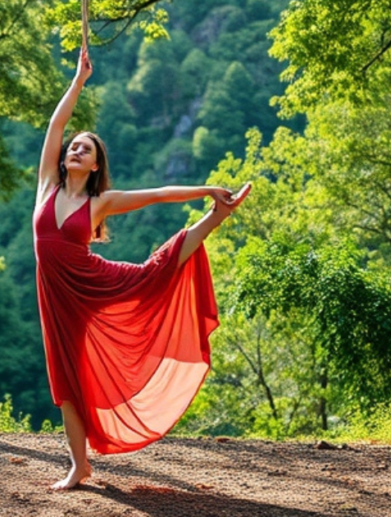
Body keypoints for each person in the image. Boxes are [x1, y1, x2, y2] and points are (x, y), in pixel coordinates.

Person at [33, 48, 249, 490]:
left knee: (157, 270)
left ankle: (215, 218)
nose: (75, 147)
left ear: (95, 165)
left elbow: (156, 194)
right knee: (64, 378)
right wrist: (78, 81)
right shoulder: (47, 185)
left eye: (85, 148)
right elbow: (56, 125)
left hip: (93, 285)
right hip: (55, 298)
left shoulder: (99, 204)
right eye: (74, 145)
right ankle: (80, 464)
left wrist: (206, 189)